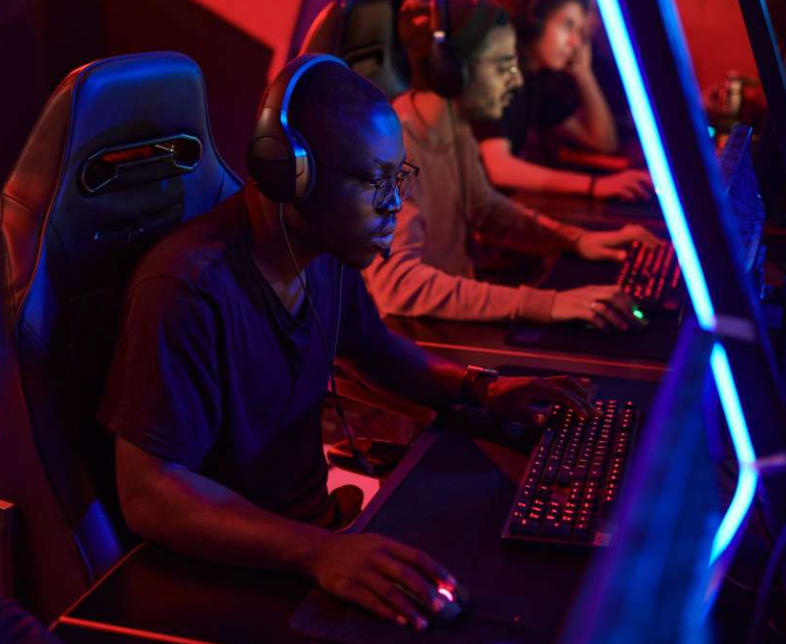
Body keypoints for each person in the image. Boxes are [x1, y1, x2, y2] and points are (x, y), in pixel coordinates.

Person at [98, 56, 596, 631]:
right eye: (373, 181)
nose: (394, 204)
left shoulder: (322, 252)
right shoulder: (187, 289)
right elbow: (150, 493)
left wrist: (482, 388)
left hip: (310, 539)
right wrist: (318, 552)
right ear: (292, 174)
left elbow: (376, 351)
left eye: (397, 178)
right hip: (233, 572)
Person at [364, 0, 659, 331]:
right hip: (413, 335)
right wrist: (544, 304)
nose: (515, 81)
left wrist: (576, 240)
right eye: (501, 65)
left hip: (451, 320)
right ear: (453, 71)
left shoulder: (455, 128)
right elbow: (398, 285)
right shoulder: (390, 150)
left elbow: (485, 209)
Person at [472, 0, 654, 201]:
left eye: (580, 33)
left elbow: (603, 142)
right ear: (536, 21)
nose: (575, 43)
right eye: (567, 25)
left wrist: (584, 75)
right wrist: (594, 185)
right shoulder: (496, 67)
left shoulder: (535, 80)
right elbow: (498, 168)